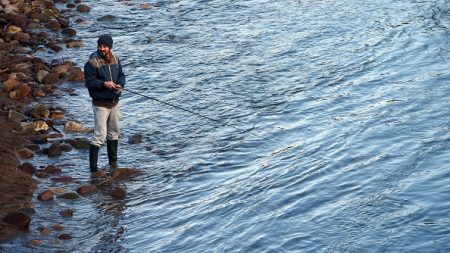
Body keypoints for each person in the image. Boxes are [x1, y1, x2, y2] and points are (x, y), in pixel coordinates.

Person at [84, 34, 125, 172]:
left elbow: (121, 75)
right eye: (100, 46)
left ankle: (113, 163)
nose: (102, 48)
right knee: (100, 135)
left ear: (109, 47)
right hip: (100, 104)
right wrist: (104, 84)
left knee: (114, 133)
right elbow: (89, 83)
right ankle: (93, 169)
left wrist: (120, 84)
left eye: (104, 46)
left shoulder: (116, 58)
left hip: (114, 102)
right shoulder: (91, 63)